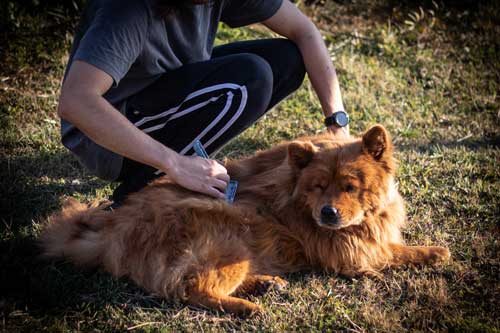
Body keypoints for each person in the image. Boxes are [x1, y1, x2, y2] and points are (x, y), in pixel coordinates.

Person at [58, 0, 350, 208]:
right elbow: (76, 102)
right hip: (107, 138)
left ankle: (177, 159)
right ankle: (135, 192)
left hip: (162, 89)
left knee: (287, 59)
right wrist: (175, 164)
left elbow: (305, 32)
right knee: (250, 77)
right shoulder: (127, 10)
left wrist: (337, 123)